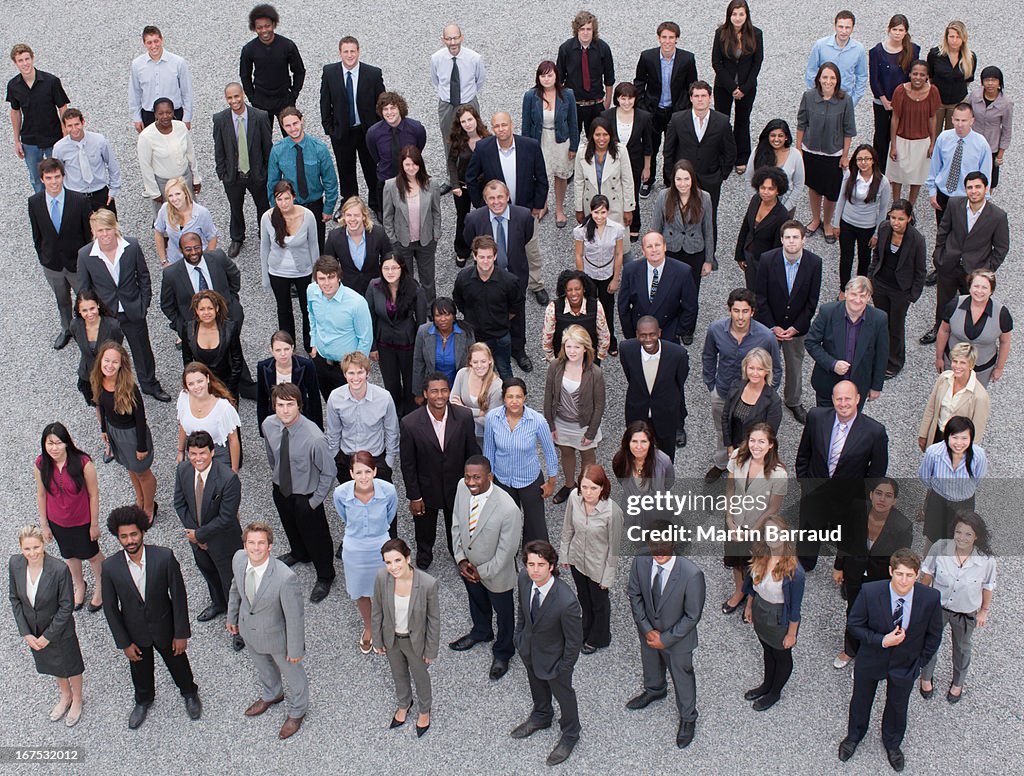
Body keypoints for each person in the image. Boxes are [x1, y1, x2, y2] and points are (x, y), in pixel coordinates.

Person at [838, 549, 943, 772]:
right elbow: (854, 625)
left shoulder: (930, 598)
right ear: (890, 571)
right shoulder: (870, 591)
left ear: (917, 575)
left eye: (909, 575)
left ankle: (893, 743)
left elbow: (934, 635)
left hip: (906, 664)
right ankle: (854, 736)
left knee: (898, 706)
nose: (904, 580)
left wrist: (920, 663)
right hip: (872, 659)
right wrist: (882, 641)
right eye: (899, 574)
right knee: (860, 700)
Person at [101, 506, 200, 730]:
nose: (130, 540)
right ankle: (143, 700)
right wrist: (124, 642)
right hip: (135, 633)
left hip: (166, 627)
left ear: (143, 531)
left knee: (178, 663)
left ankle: (189, 692)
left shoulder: (164, 557)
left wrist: (181, 633)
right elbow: (110, 608)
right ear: (118, 537)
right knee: (140, 670)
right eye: (124, 536)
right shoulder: (110, 567)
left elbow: (178, 596)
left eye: (133, 534)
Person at [626, 520, 706, 749]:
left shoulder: (692, 575)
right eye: (654, 543)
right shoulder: (640, 560)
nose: (659, 551)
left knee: (682, 675)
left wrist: (665, 639)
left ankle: (689, 717)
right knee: (650, 662)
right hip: (648, 631)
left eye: (664, 544)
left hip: (678, 639)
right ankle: (655, 690)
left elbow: (692, 616)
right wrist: (647, 629)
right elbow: (634, 594)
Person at [795, 380, 889, 570]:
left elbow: (877, 472)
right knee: (809, 530)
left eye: (848, 398)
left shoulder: (874, 432)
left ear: (857, 399)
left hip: (847, 497)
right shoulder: (816, 417)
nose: (843, 403)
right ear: (832, 399)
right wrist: (805, 482)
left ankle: (843, 572)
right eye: (839, 399)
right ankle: (804, 564)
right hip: (815, 490)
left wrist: (861, 496)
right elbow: (804, 452)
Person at [77, 210, 170, 402]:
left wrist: (144, 304)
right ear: (93, 231)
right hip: (107, 316)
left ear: (115, 227)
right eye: (100, 230)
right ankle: (112, 390)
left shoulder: (132, 246)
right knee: (108, 356)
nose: (104, 234)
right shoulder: (85, 255)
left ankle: (149, 384)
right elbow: (84, 291)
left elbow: (143, 276)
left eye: (108, 229)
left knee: (142, 351)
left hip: (132, 309)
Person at [226, 521, 307, 740]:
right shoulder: (239, 559)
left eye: (261, 543)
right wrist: (232, 616)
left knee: (294, 675)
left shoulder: (285, 577)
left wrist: (295, 648)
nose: (255, 548)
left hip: (277, 638)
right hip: (249, 631)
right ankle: (273, 694)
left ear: (270, 546)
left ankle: (298, 710)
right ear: (244, 545)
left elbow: (294, 616)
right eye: (251, 543)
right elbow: (235, 588)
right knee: (262, 667)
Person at [449, 456, 523, 681]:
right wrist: (461, 559)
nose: (471, 482)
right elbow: (456, 523)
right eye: (468, 476)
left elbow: (507, 551)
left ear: (489, 477)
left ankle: (503, 651)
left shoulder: (508, 509)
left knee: (504, 614)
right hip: (468, 566)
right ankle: (481, 631)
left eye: (476, 477)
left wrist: (481, 572)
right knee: (476, 601)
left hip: (496, 573)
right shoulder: (462, 487)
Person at [465, 114, 550, 306]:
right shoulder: (483, 148)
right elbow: (470, 178)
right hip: (496, 212)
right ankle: (497, 283)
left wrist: (538, 206)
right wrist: (481, 204)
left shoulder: (530, 146)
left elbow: (542, 178)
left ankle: (536, 284)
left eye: (504, 125)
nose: (501, 129)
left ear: (512, 125)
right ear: (492, 128)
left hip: (525, 211)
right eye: (496, 126)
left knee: (531, 250)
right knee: (500, 248)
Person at [511, 540, 584, 766]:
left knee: (564, 695)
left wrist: (564, 668)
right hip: (529, 649)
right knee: (536, 684)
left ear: (551, 566)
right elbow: (522, 611)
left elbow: (574, 641)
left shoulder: (566, 601)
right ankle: (542, 715)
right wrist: (519, 638)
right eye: (530, 564)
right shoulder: (524, 579)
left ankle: (571, 732)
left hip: (556, 660)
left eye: (540, 565)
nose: (534, 570)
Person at [262, 384, 337, 603]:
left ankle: (325, 574)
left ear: (299, 406)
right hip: (281, 488)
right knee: (289, 525)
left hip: (306, 496)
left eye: (290, 405)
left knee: (318, 537)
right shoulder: (268, 425)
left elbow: (329, 471)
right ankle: (299, 553)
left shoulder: (314, 437)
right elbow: (271, 455)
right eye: (280, 405)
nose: (285, 410)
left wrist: (315, 501)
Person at [399, 373, 480, 570]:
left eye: (444, 390)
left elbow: (472, 452)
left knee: (458, 524)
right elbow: (407, 464)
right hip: (426, 489)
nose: (439, 395)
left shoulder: (463, 416)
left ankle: (457, 553)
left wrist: (474, 486)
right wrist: (414, 496)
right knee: (424, 529)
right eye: (434, 391)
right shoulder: (409, 423)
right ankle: (425, 553)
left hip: (457, 486)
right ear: (426, 393)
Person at [832, 477, 913, 670]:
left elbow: (902, 559)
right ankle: (850, 649)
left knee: (875, 618)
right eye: (878, 493)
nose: (882, 499)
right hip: (854, 572)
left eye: (888, 495)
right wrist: (838, 566)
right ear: (871, 495)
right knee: (853, 611)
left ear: (895, 500)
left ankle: (866, 656)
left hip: (881, 579)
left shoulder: (902, 526)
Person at [702, 288, 782, 483]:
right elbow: (709, 356)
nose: (740, 316)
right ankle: (722, 463)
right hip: (722, 392)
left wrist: (767, 395)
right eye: (736, 310)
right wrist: (710, 383)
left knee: (754, 436)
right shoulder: (715, 330)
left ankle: (751, 470)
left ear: (752, 312)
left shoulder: (766, 337)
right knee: (723, 431)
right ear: (729, 310)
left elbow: (776, 368)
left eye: (745, 311)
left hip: (754, 398)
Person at [9, 525, 85, 727]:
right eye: (27, 549)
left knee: (72, 664)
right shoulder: (15, 564)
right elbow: (14, 599)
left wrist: (47, 636)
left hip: (58, 629)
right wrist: (25, 632)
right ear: (20, 548)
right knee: (52, 664)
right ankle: (65, 695)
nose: (32, 553)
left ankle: (77, 698)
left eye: (36, 547)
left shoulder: (59, 569)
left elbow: (66, 606)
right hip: (34, 630)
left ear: (43, 545)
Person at [919, 511, 996, 704]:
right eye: (958, 532)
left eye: (968, 534)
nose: (962, 537)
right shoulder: (940, 547)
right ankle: (926, 677)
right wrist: (921, 602)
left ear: (977, 536)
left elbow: (988, 586)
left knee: (962, 648)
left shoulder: (986, 561)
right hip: (939, 607)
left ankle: (958, 682)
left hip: (965, 611)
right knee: (930, 643)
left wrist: (984, 611)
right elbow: (927, 575)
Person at [923, 175, 1009, 344]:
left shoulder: (998, 216)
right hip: (949, 264)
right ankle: (939, 328)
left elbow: (1001, 248)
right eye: (970, 187)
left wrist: (986, 271)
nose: (973, 191)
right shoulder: (955, 204)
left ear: (986, 188)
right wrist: (939, 255)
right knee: (943, 300)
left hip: (975, 271)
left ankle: (964, 333)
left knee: (971, 304)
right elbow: (943, 230)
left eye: (978, 187)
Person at [162, 234, 252, 391]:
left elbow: (234, 276)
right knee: (206, 358)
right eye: (188, 249)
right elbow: (167, 304)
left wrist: (230, 301)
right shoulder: (172, 274)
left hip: (226, 317)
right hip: (197, 327)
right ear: (180, 250)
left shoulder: (217, 257)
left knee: (233, 352)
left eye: (197, 248)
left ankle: (244, 385)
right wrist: (182, 326)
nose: (194, 252)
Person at [172, 431, 243, 632]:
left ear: (212, 452)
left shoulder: (228, 479)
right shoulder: (183, 470)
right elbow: (179, 503)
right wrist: (194, 535)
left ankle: (238, 624)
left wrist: (200, 535)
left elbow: (226, 517)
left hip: (223, 542)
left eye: (202, 453)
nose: (198, 458)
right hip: (196, 540)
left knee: (232, 583)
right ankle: (218, 604)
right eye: (193, 453)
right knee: (208, 572)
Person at [464, 180, 538, 371]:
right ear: (485, 200)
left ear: (507, 197)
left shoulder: (523, 216)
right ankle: (488, 351)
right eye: (491, 198)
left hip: (515, 274)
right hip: (487, 276)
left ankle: (519, 350)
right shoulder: (474, 219)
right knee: (489, 310)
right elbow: (469, 240)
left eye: (500, 197)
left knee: (517, 312)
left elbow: (526, 237)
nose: (496, 202)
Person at [755, 221, 823, 423]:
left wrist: (795, 328)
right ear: (782, 239)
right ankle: (762, 398)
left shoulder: (815, 263)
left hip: (796, 329)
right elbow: (760, 296)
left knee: (795, 366)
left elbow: (812, 302)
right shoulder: (767, 260)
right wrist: (772, 326)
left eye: (796, 237)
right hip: (770, 326)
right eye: (788, 237)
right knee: (764, 364)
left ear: (803, 239)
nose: (791, 241)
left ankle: (793, 401)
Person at [371, 538, 440, 736]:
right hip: (392, 639)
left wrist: (431, 650)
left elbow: (434, 620)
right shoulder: (381, 578)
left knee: (420, 676)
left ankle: (424, 710)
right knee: (398, 673)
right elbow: (377, 610)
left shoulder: (427, 584)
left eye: (397, 560)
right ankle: (404, 703)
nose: (393, 567)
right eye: (388, 562)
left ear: (408, 558)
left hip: (415, 642)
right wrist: (377, 639)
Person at [33, 423, 103, 612]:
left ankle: (101, 585)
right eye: (50, 443)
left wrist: (94, 524)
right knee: (70, 556)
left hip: (82, 520)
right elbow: (41, 494)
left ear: (66, 443)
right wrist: (44, 524)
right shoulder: (41, 464)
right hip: (58, 521)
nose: (54, 448)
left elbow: (93, 494)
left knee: (93, 555)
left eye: (58, 443)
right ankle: (79, 585)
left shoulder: (83, 463)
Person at [334, 452, 398, 653]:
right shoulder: (340, 493)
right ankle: (370, 627)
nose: (363, 476)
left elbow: (390, 515)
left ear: (375, 471)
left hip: (381, 547)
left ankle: (388, 626)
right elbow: (344, 516)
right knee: (360, 591)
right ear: (351, 473)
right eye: (358, 472)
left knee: (386, 591)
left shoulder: (388, 491)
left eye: (368, 471)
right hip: (354, 548)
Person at [740, 514, 804, 711]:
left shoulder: (795, 572)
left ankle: (775, 692)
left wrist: (792, 633)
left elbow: (795, 607)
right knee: (767, 649)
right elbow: (753, 585)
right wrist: (749, 606)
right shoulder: (761, 556)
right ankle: (766, 685)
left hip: (778, 617)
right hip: (761, 609)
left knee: (782, 656)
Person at [485, 377, 559, 543]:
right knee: (505, 523)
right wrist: (489, 477)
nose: (514, 401)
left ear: (525, 397)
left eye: (518, 396)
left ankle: (539, 558)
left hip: (530, 480)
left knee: (536, 526)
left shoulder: (537, 421)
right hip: (502, 480)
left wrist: (551, 481)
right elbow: (489, 449)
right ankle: (507, 557)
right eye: (510, 397)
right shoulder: (492, 418)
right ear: (503, 398)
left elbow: (549, 452)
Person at [721, 424, 787, 612]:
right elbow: (730, 489)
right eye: (752, 440)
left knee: (755, 564)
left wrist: (751, 532)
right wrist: (729, 520)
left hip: (759, 527)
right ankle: (739, 591)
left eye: (761, 442)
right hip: (735, 520)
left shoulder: (779, 474)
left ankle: (751, 599)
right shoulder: (737, 457)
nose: (755, 446)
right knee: (735, 559)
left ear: (771, 445)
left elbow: (773, 508)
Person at [28, 158, 92, 349]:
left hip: (76, 263)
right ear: (42, 179)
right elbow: (37, 235)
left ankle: (87, 330)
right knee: (61, 299)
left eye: (57, 177)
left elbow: (88, 234)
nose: (54, 182)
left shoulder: (79, 201)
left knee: (85, 298)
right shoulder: (35, 202)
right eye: (49, 178)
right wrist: (43, 258)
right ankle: (67, 329)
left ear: (63, 177)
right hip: (53, 264)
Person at [90, 343, 157, 523]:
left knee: (142, 472)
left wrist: (142, 446)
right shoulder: (98, 380)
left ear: (122, 364)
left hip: (132, 435)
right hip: (114, 432)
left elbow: (141, 419)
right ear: (100, 361)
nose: (109, 365)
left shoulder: (129, 388)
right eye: (106, 360)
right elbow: (101, 406)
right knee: (130, 468)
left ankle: (149, 507)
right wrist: (104, 429)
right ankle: (140, 499)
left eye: (115, 362)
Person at [663, 80, 737, 241]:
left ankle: (709, 254)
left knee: (709, 217)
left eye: (703, 95)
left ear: (710, 97)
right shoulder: (677, 119)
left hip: (711, 178)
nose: (700, 99)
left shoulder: (722, 121)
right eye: (696, 96)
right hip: (683, 179)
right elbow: (669, 150)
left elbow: (729, 151)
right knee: (680, 214)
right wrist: (672, 177)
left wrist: (721, 175)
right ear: (691, 98)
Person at [559, 465, 622, 653]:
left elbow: (614, 549)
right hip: (578, 559)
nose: (588, 492)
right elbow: (568, 527)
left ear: (603, 487)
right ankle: (585, 628)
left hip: (598, 566)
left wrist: (607, 578)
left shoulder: (612, 512)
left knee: (599, 604)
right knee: (583, 598)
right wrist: (565, 554)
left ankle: (600, 637)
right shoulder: (574, 498)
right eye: (584, 487)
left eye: (593, 488)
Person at [319, 36, 386, 212]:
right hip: (342, 131)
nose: (349, 55)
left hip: (367, 132)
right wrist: (330, 128)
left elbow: (382, 103)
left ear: (358, 52)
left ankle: (376, 204)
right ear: (340, 53)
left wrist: (379, 129)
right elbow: (325, 101)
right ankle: (349, 204)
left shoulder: (372, 74)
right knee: (345, 170)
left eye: (353, 51)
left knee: (372, 169)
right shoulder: (329, 72)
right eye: (346, 51)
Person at [543, 325, 606, 504]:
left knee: (587, 455)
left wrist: (591, 433)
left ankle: (586, 488)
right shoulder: (555, 365)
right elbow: (548, 396)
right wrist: (550, 425)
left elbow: (599, 405)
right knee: (566, 453)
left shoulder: (595, 373)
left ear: (585, 348)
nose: (572, 351)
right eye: (568, 346)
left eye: (577, 347)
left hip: (584, 425)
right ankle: (569, 485)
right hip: (561, 422)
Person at [652, 160, 715, 337]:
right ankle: (670, 325)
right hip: (670, 251)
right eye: (679, 179)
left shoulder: (705, 197)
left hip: (694, 252)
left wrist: (708, 260)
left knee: (691, 294)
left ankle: (688, 329)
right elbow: (656, 227)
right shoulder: (664, 196)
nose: (683, 184)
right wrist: (654, 254)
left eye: (686, 179)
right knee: (668, 291)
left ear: (692, 179)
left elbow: (709, 230)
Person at [805, 276, 889, 408]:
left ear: (869, 298)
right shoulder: (828, 312)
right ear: (846, 293)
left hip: (858, 386)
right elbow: (811, 342)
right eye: (854, 294)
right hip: (828, 384)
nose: (857, 300)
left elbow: (881, 355)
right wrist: (833, 364)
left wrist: (876, 386)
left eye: (862, 296)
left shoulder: (879, 319)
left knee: (850, 426)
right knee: (824, 423)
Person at [633, 21, 696, 194]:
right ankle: (648, 180)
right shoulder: (647, 57)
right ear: (658, 38)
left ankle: (670, 182)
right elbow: (639, 82)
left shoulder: (687, 59)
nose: (667, 41)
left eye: (671, 38)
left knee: (673, 148)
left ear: (677, 39)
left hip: (675, 111)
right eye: (664, 37)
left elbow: (691, 85)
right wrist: (643, 106)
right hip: (653, 110)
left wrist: (684, 108)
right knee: (650, 146)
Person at [867, 200, 926, 377]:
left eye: (900, 218)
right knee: (881, 322)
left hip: (901, 290)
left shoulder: (916, 239)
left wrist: (912, 295)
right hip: (881, 284)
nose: (895, 222)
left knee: (896, 326)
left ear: (908, 218)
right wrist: (872, 277)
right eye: (893, 217)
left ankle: (895, 361)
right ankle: (880, 355)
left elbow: (920, 270)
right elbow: (877, 254)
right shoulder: (884, 228)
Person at [798, 63, 857, 243]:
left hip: (834, 154)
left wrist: (845, 155)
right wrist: (799, 149)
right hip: (811, 151)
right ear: (818, 79)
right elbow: (802, 123)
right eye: (825, 77)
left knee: (832, 192)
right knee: (814, 187)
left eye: (832, 78)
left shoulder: (845, 100)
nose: (828, 81)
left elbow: (849, 130)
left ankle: (828, 223)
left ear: (837, 80)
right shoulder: (808, 97)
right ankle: (816, 219)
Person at [213, 82, 273, 257]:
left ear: (243, 95)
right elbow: (219, 148)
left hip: (257, 173)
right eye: (230, 98)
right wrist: (222, 173)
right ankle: (237, 238)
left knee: (263, 206)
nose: (234, 101)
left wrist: (266, 171)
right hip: (233, 174)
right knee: (235, 207)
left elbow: (267, 146)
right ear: (226, 99)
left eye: (236, 96)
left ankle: (266, 237)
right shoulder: (220, 119)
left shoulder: (260, 117)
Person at [325, 351, 399, 489]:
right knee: (352, 505)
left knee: (383, 505)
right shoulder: (335, 398)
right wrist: (335, 457)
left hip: (376, 459)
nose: (356, 378)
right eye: (351, 373)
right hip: (347, 459)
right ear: (344, 374)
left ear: (367, 373)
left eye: (360, 372)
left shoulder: (384, 397)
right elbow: (333, 431)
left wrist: (388, 461)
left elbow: (392, 431)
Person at [266, 107, 337, 252]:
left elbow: (330, 180)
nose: (293, 129)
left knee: (317, 245)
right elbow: (272, 183)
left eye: (295, 123)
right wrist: (278, 208)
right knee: (293, 245)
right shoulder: (278, 150)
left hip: (315, 205)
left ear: (302, 121)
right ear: (283, 127)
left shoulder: (319, 148)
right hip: (291, 205)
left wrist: (328, 208)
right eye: (288, 125)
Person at [452, 235, 523, 380]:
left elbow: (516, 305)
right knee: (477, 374)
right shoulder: (464, 278)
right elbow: (458, 299)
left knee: (504, 369)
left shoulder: (509, 281)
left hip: (500, 335)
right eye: (482, 257)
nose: (485, 261)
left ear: (495, 256)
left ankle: (508, 399)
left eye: (489, 257)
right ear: (474, 256)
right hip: (475, 336)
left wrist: (502, 319)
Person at [366, 256, 428, 416]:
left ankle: (411, 418)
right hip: (384, 343)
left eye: (394, 268)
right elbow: (369, 317)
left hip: (408, 344)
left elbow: (421, 322)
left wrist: (421, 349)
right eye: (386, 268)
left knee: (410, 385)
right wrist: (372, 346)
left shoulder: (414, 288)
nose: (390, 272)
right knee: (391, 384)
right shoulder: (374, 286)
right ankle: (395, 417)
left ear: (402, 268)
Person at [260, 181, 318, 351]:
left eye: (287, 198)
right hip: (278, 271)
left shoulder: (307, 216)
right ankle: (288, 346)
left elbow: (314, 246)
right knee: (283, 310)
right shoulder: (267, 218)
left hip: (303, 271)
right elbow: (264, 247)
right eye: (279, 199)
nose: (284, 203)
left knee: (307, 309)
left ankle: (310, 345)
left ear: (294, 197)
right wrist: (265, 276)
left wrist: (316, 276)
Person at [620, 318, 690, 458]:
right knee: (638, 455)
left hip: (666, 414)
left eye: (652, 334)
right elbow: (630, 376)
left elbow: (679, 381)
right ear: (637, 334)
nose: (648, 339)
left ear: (659, 333)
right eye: (643, 335)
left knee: (666, 455)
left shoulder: (677, 354)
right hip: (638, 412)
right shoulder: (626, 349)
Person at [307, 255, 373, 398]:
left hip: (345, 368)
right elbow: (312, 316)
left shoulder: (357, 303)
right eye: (322, 279)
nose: (326, 283)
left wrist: (356, 370)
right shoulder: (311, 291)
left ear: (339, 277)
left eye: (331, 277)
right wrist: (314, 343)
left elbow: (365, 339)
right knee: (331, 403)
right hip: (321, 360)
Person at [6, 43, 70, 192]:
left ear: (33, 58)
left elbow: (62, 107)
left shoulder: (51, 81)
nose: (25, 63)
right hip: (30, 141)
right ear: (15, 63)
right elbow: (15, 112)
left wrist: (65, 135)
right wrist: (16, 140)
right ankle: (43, 211)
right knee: (36, 179)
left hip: (54, 137)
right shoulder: (13, 86)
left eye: (27, 59)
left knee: (60, 175)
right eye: (20, 60)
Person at [381, 146, 442, 301]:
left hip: (426, 240)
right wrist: (393, 239)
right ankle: (410, 307)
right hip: (402, 242)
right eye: (407, 164)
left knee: (428, 279)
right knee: (405, 279)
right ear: (401, 165)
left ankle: (429, 308)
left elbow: (436, 211)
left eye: (414, 164)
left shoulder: (432, 184)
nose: (411, 168)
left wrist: (436, 233)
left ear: (420, 164)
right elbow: (387, 216)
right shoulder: (391, 186)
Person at [523, 60, 579, 226]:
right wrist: (525, 148)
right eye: (543, 75)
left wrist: (574, 146)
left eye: (550, 75)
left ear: (556, 76)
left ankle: (559, 209)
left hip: (561, 140)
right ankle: (543, 204)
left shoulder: (567, 94)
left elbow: (573, 122)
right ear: (538, 77)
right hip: (540, 140)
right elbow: (526, 123)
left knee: (560, 175)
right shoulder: (530, 96)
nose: (546, 79)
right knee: (540, 175)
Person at [933, 270, 1012, 386]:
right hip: (953, 365)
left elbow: (1005, 342)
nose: (979, 291)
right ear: (970, 287)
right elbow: (944, 331)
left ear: (991, 290)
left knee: (973, 401)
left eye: (984, 287)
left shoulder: (1002, 314)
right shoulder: (954, 304)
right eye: (976, 286)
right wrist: (939, 358)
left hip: (982, 370)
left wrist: (999, 368)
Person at [618, 231, 698, 344]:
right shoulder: (631, 270)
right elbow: (623, 305)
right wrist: (630, 334)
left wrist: (678, 331)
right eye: (649, 246)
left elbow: (691, 307)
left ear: (665, 247)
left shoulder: (682, 271)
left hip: (668, 333)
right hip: (640, 333)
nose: (654, 249)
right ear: (643, 251)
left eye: (657, 245)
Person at [920, 416, 986, 551]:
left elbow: (979, 478)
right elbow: (924, 476)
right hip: (938, 500)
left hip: (964, 503)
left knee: (960, 540)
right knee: (932, 539)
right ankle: (929, 569)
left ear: (971, 438)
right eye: (954, 437)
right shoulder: (934, 452)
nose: (959, 443)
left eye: (964, 438)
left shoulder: (979, 455)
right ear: (947, 436)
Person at [712, 1, 763, 167]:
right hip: (724, 86)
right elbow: (716, 62)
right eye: (734, 14)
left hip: (747, 86)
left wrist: (744, 88)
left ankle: (742, 156)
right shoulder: (721, 33)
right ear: (729, 15)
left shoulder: (756, 34)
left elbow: (757, 63)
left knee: (743, 120)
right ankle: (723, 153)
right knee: (722, 119)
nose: (738, 18)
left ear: (746, 15)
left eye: (741, 14)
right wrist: (732, 87)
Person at [924, 103, 992, 229]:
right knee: (942, 233)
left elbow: (986, 176)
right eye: (957, 120)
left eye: (964, 120)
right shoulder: (944, 138)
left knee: (961, 236)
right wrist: (932, 192)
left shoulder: (981, 144)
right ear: (952, 120)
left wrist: (983, 202)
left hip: (966, 197)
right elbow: (935, 167)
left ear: (972, 121)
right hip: (943, 194)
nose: (960, 124)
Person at [240, 4, 305, 134]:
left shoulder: (287, 45)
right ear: (254, 28)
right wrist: (253, 98)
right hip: (261, 101)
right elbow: (244, 75)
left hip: (284, 99)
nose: (264, 30)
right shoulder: (249, 49)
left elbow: (299, 71)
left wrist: (293, 94)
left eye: (267, 26)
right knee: (263, 141)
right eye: (260, 27)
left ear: (274, 24)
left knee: (292, 137)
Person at [833, 146, 891, 290]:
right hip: (847, 223)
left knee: (864, 259)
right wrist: (836, 223)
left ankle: (860, 289)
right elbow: (841, 199)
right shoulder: (849, 175)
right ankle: (843, 288)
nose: (863, 162)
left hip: (867, 226)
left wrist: (877, 233)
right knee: (846, 258)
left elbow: (883, 209)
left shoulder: (882, 182)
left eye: (867, 159)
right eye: (860, 159)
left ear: (873, 161)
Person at [600, 82, 653, 236]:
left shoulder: (643, 117)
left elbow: (648, 144)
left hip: (635, 161)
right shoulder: (607, 116)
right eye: (623, 98)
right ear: (617, 99)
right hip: (612, 161)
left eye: (630, 99)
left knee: (632, 191)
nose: (627, 102)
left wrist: (647, 167)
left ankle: (634, 225)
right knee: (613, 190)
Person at [868, 16, 919, 173]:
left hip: (904, 102)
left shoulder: (913, 50)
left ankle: (898, 171)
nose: (897, 33)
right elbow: (874, 78)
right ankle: (879, 171)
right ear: (888, 30)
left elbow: (913, 76)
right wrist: (883, 99)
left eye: (901, 30)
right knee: (881, 137)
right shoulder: (877, 51)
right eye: (894, 29)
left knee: (902, 136)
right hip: (882, 102)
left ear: (906, 32)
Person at [574, 196, 624, 353]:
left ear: (608, 211)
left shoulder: (617, 229)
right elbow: (578, 255)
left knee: (608, 308)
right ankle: (590, 340)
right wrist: (581, 280)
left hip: (607, 272)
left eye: (603, 212)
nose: (600, 216)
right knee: (589, 308)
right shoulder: (581, 230)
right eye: (596, 212)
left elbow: (619, 254)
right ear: (591, 211)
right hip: (589, 274)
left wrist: (616, 278)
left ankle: (610, 339)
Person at [365, 91, 427, 218]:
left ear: (400, 108)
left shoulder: (416, 129)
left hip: (410, 178)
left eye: (393, 108)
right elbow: (375, 155)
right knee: (387, 217)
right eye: (385, 109)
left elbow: (419, 149)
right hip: (386, 179)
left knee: (413, 215)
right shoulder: (373, 133)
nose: (389, 112)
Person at [137, 98, 201, 219]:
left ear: (173, 112)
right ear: (155, 114)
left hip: (184, 180)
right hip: (163, 184)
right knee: (168, 220)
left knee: (191, 217)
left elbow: (190, 153)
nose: (165, 116)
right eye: (161, 113)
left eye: (169, 112)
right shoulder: (146, 136)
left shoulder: (181, 127)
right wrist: (154, 192)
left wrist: (196, 178)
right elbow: (145, 166)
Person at [888, 60, 941, 205]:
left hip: (922, 141)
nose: (918, 77)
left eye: (922, 74)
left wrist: (932, 143)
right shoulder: (900, 91)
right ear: (910, 74)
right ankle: (896, 205)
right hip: (901, 139)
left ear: (927, 77)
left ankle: (910, 207)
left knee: (917, 177)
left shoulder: (933, 92)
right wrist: (893, 145)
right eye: (915, 73)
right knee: (897, 176)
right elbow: (895, 119)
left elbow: (932, 118)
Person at [918, 343, 990, 449]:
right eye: (955, 361)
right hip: (937, 435)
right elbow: (931, 408)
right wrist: (923, 434)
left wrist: (967, 455)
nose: (957, 366)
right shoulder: (944, 378)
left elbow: (977, 431)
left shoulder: (980, 396)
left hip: (958, 445)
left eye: (963, 363)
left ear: (971, 365)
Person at [556, 11, 615, 138]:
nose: (585, 32)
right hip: (573, 104)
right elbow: (559, 78)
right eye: (582, 29)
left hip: (596, 104)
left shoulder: (603, 48)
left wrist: (608, 101)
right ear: (576, 30)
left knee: (597, 142)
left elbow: (609, 77)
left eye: (589, 29)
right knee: (570, 143)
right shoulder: (565, 49)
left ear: (594, 30)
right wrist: (561, 103)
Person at [53, 108, 122, 212]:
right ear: (65, 126)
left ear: (83, 122)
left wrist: (113, 190)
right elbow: (57, 173)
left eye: (77, 124)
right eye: (70, 126)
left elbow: (112, 165)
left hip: (100, 193)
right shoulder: (59, 148)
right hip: (75, 196)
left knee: (107, 226)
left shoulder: (99, 141)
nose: (74, 129)